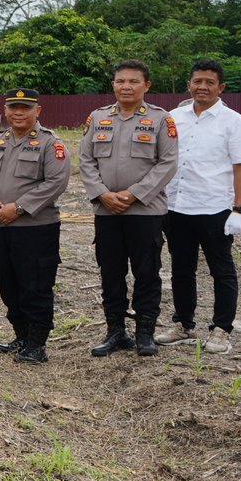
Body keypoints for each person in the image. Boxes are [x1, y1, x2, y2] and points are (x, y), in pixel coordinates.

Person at [79, 59, 179, 358]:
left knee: (147, 272)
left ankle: (145, 333)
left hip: (145, 212)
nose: (126, 86)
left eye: (133, 81)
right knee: (110, 272)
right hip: (106, 211)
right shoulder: (97, 118)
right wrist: (102, 194)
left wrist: (134, 195)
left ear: (146, 85)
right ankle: (115, 332)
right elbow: (85, 160)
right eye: (120, 81)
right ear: (113, 84)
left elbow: (167, 163)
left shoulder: (161, 120)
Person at [0, 90, 70, 364]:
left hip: (36, 227)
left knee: (35, 285)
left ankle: (37, 344)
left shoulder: (51, 144)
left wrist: (19, 207)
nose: (19, 113)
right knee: (8, 283)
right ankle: (21, 336)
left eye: (25, 108)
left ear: (38, 110)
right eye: (13, 107)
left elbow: (56, 182)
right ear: (5, 110)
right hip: (1, 226)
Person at [161, 59, 241, 354]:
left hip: (214, 208)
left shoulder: (234, 122)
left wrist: (239, 209)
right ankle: (183, 324)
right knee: (181, 268)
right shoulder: (173, 117)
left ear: (220, 87)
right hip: (176, 206)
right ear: (189, 84)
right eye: (197, 81)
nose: (203, 86)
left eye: (209, 82)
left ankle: (222, 329)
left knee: (221, 270)